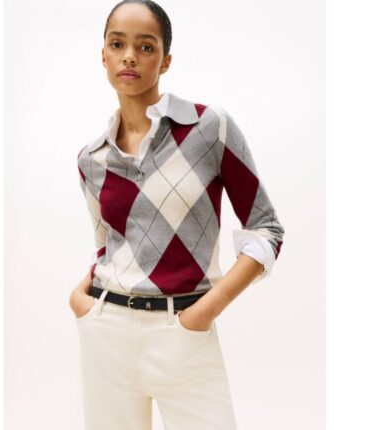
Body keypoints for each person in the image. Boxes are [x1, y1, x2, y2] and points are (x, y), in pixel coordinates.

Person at [69, 1, 285, 429]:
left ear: (165, 60)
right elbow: (107, 244)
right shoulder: (91, 159)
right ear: (104, 56)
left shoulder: (209, 128)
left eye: (146, 46)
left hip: (184, 332)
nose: (130, 56)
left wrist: (203, 312)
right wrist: (81, 301)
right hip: (106, 331)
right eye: (117, 44)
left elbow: (267, 229)